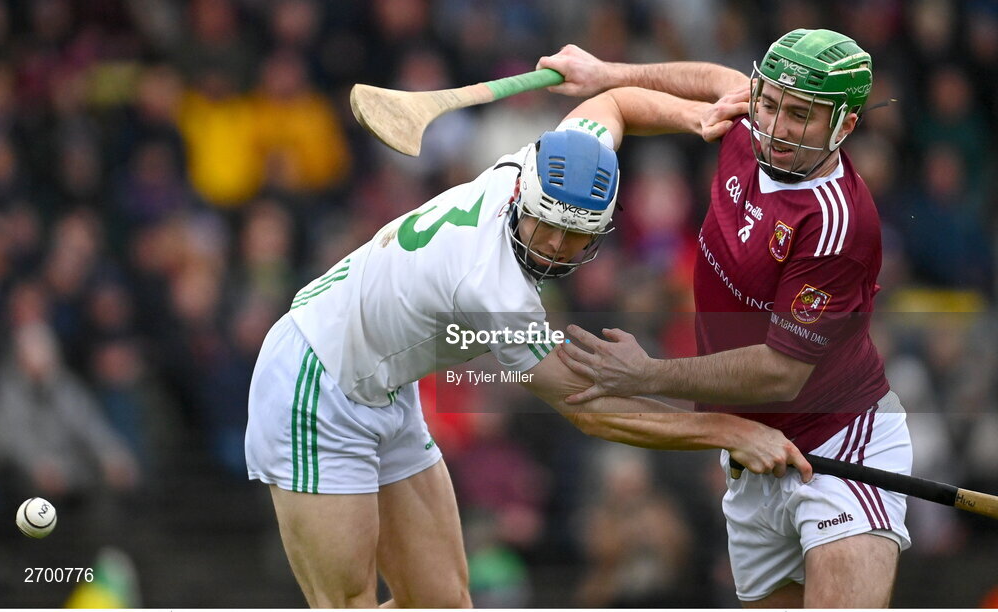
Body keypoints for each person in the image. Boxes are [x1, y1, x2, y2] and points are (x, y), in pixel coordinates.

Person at [244, 91, 810, 607]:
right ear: (524, 198)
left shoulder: (547, 162)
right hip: (317, 376)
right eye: (548, 228)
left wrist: (692, 116)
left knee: (442, 603)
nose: (558, 249)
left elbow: (612, 104)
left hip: (385, 384)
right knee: (348, 603)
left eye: (579, 234)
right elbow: (588, 407)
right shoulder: (494, 289)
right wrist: (730, 432)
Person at [539, 28, 910, 608]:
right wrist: (605, 73)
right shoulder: (749, 123)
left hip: (841, 444)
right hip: (751, 459)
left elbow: (781, 373)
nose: (777, 127)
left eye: (802, 117)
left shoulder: (837, 223)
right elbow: (715, 80)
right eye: (770, 104)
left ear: (846, 125)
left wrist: (648, 375)